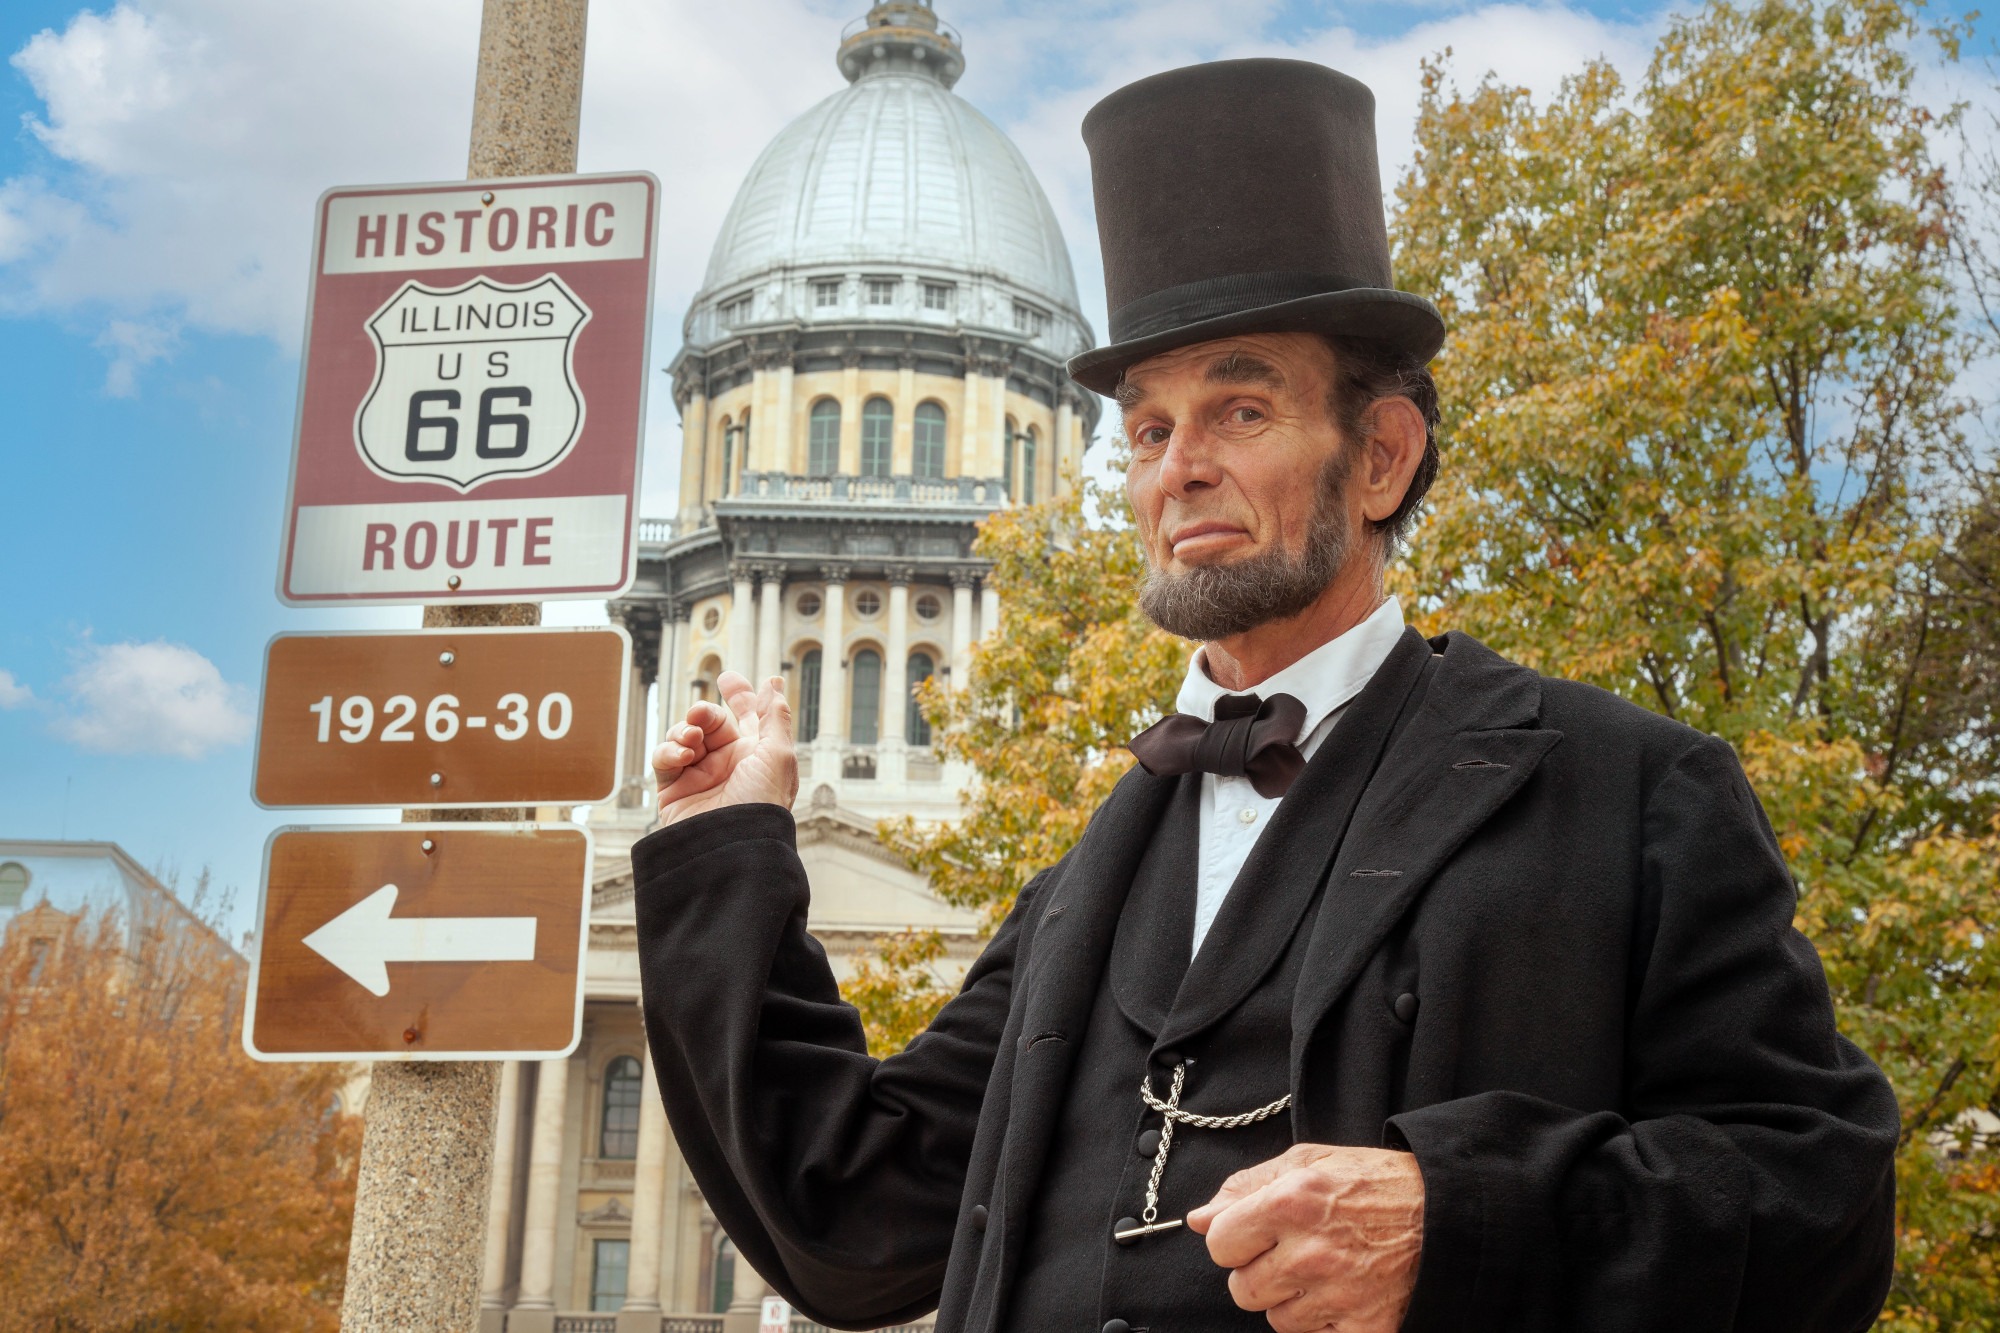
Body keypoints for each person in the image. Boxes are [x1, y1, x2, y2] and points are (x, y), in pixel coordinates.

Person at [632, 59, 1897, 1333]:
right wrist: (723, 850)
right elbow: (848, 1221)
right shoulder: (1085, 883)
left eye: (1238, 409)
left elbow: (1820, 1206)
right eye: (1145, 429)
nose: (1178, 470)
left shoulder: (1621, 792)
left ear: (1381, 456)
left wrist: (1455, 1218)